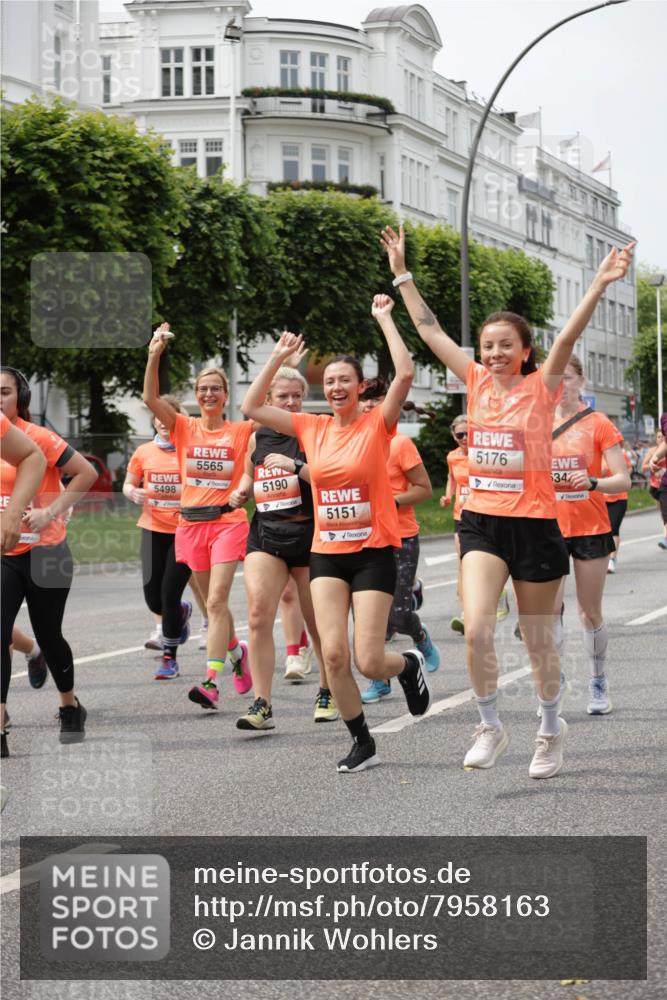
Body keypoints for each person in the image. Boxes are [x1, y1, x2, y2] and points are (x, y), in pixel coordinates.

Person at [381, 222, 634, 778]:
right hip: (482, 524)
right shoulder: (472, 380)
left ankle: (549, 728)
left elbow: (567, 336)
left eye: (505, 346)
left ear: (523, 353)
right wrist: (403, 273)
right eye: (488, 345)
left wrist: (597, 284)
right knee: (476, 626)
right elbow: (429, 330)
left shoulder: (541, 389)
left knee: (540, 641)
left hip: (537, 528)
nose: (494, 353)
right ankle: (490, 723)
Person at [241, 302, 432, 774]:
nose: (336, 387)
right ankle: (362, 741)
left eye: (345, 380)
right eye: (329, 382)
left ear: (359, 386)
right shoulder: (312, 426)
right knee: (332, 653)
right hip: (327, 551)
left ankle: (406, 666)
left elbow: (405, 373)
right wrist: (278, 356)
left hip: (372, 554)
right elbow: (250, 407)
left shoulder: (377, 424)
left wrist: (385, 319)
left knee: (369, 659)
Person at [143, 326, 252, 710]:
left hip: (227, 522)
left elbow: (248, 468)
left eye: (215, 389)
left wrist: (243, 487)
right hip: (190, 525)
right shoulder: (183, 427)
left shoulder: (240, 431)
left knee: (219, 600)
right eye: (202, 388)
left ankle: (210, 681)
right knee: (211, 605)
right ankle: (238, 652)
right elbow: (150, 397)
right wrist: (154, 353)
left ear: (225, 395)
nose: (208, 394)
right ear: (196, 395)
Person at [230, 365, 337, 729]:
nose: (291, 403)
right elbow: (250, 473)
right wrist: (242, 490)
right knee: (258, 615)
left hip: (309, 536)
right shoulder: (257, 438)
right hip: (266, 534)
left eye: (296, 396)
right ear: (269, 400)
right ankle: (262, 704)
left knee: (317, 622)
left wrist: (296, 467)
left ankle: (327, 689)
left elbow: (332, 479)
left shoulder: (315, 431)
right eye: (283, 397)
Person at [1, 367, 97, 757]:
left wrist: (51, 511)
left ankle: (69, 705)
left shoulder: (38, 437)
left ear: (19, 397)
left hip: (47, 550)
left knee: (49, 633)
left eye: (4, 392)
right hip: (5, 554)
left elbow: (85, 473)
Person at [549, 356, 630, 717]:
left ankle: (598, 679)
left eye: (566, 378)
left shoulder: (598, 424)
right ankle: (554, 681)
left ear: (580, 380)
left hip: (590, 527)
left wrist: (594, 482)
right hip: (547, 528)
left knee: (587, 611)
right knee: (548, 613)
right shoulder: (535, 424)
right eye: (553, 379)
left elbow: (623, 479)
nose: (559, 386)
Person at [356, 377, 439, 705]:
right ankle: (380, 681)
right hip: (362, 540)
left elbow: (425, 490)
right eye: (363, 399)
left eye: (375, 399)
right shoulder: (350, 442)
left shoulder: (400, 444)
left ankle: (419, 636)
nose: (367, 406)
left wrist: (389, 502)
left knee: (399, 615)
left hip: (401, 537)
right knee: (368, 619)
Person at [123, 396, 194, 679]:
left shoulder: (191, 450)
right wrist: (133, 492)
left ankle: (169, 658)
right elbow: (128, 484)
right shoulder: (143, 452)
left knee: (168, 594)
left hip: (185, 530)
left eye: (169, 416)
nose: (163, 422)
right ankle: (181, 611)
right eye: (158, 416)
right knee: (153, 599)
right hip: (153, 529)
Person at [442, 415, 510, 635]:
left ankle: (499, 594)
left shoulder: (483, 455)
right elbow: (451, 478)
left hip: (484, 512)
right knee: (463, 563)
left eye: (467, 434)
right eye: (459, 434)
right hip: (461, 515)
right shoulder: (452, 457)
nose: (463, 438)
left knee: (492, 561)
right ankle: (466, 613)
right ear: (453, 436)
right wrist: (447, 496)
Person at [602, 443, 631, 574]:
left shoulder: (621, 455)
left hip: (619, 498)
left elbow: (628, 471)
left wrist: (617, 474)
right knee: (604, 530)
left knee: (613, 528)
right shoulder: (597, 456)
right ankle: (604, 558)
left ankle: (612, 559)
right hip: (601, 499)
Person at [642, 429, 667, 549]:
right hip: (656, 486)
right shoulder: (652, 451)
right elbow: (643, 467)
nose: (660, 439)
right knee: (663, 513)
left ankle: (665, 538)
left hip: (665, 486)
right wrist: (654, 463)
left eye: (662, 437)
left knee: (665, 513)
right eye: (658, 437)